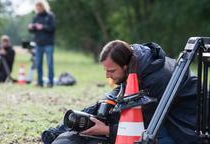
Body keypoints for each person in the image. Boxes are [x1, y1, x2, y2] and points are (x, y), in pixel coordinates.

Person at [42, 40, 198, 144]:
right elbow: (108, 103)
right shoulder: (134, 63)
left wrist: (107, 130)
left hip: (185, 127)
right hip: (161, 118)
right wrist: (58, 131)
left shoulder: (156, 78)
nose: (107, 76)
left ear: (124, 66)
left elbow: (146, 127)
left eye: (111, 71)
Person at [28, 0, 55, 88]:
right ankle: (40, 82)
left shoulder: (50, 16)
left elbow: (52, 28)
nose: (38, 8)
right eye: (37, 7)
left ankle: (50, 82)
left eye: (40, 6)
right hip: (38, 44)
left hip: (48, 44)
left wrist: (43, 27)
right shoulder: (36, 17)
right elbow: (32, 31)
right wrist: (31, 27)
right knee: (38, 63)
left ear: (44, 6)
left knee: (49, 64)